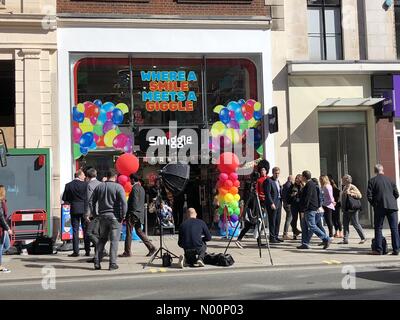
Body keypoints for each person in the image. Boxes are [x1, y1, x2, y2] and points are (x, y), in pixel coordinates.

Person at [91, 168, 127, 270]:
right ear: (115, 177)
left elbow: (91, 202)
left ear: (107, 176)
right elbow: (124, 203)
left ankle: (97, 261)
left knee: (102, 240)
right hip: (115, 217)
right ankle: (112, 264)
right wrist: (123, 215)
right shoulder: (118, 187)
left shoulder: (99, 187)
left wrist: (94, 214)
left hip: (102, 217)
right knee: (114, 241)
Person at [120, 174, 157, 258]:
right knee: (139, 231)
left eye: (130, 180)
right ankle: (151, 248)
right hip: (140, 214)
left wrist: (129, 213)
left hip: (133, 214)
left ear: (133, 180)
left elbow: (134, 202)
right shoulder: (142, 188)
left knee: (129, 232)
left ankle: (127, 251)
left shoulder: (135, 188)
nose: (130, 181)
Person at [367, 164, 400, 255]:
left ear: (375, 171)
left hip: (379, 207)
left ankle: (379, 249)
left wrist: (375, 204)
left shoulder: (372, 181)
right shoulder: (391, 180)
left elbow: (369, 196)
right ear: (383, 170)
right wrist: (391, 201)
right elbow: (396, 194)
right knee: (394, 228)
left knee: (378, 228)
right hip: (392, 206)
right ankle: (396, 249)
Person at [297, 170, 331, 250]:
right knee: (305, 226)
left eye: (302, 176)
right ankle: (305, 243)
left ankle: (326, 238)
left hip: (309, 209)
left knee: (312, 225)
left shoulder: (310, 185)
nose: (301, 178)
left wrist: (303, 209)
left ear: (304, 177)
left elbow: (307, 198)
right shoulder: (310, 184)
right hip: (309, 208)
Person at [62, 169, 88, 257]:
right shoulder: (86, 185)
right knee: (85, 230)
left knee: (75, 230)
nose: (84, 177)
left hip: (74, 209)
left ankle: (76, 251)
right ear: (79, 175)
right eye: (83, 175)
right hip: (84, 209)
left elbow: (65, 199)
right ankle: (87, 250)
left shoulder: (68, 185)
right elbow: (88, 197)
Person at [339, 174, 366, 245]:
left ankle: (363, 238)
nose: (342, 180)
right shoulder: (344, 187)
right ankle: (345, 239)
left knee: (355, 224)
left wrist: (351, 193)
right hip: (346, 209)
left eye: (343, 179)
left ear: (347, 180)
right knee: (345, 224)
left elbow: (360, 195)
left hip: (352, 209)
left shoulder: (352, 187)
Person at [264, 167, 283, 243]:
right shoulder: (269, 181)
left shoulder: (277, 181)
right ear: (273, 173)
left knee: (278, 220)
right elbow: (267, 193)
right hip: (272, 203)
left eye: (278, 173)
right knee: (272, 220)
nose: (277, 175)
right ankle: (272, 238)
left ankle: (276, 236)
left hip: (279, 202)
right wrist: (271, 203)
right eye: (276, 173)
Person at [0, 186, 12, 273]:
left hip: (3, 227)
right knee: (0, 247)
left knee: (7, 245)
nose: (5, 192)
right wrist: (7, 228)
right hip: (2, 228)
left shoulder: (3, 201)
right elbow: (0, 217)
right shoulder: (0, 202)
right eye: (4, 190)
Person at [288, 175, 303, 240]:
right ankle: (295, 234)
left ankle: (304, 234)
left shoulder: (303, 186)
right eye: (296, 178)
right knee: (294, 220)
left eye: (298, 178)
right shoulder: (292, 186)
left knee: (302, 220)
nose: (296, 180)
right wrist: (292, 195)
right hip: (294, 205)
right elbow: (288, 196)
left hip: (301, 205)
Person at [282, 175, 295, 240]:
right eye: (293, 179)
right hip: (288, 204)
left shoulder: (284, 185)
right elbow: (289, 195)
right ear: (291, 179)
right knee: (289, 219)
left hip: (285, 204)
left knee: (290, 218)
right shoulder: (289, 185)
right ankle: (285, 234)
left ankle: (295, 230)